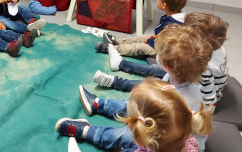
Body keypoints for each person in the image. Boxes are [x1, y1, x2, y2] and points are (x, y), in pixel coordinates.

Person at [58, 25, 213, 151]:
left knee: (125, 134)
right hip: (164, 132)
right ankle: (98, 104)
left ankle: (88, 131)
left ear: (166, 66)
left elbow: (150, 134)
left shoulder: (182, 99)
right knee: (134, 105)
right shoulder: (181, 81)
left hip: (165, 142)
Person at [94, 13, 229, 109]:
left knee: (154, 83)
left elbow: (208, 100)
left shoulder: (205, 68)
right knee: (156, 73)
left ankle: (118, 82)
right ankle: (121, 65)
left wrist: (200, 113)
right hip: (190, 78)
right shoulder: (214, 49)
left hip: (196, 94)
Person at [96, 0, 187, 70]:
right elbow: (166, 37)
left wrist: (150, 41)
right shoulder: (174, 15)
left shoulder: (172, 24)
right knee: (141, 37)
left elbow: (166, 44)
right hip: (160, 41)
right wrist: (156, 37)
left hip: (164, 51)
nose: (156, 1)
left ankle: (112, 49)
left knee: (139, 47)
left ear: (164, 5)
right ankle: (117, 41)